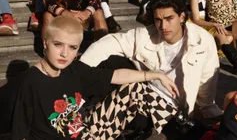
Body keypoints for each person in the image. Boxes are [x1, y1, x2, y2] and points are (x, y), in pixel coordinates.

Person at [80, 0, 223, 135]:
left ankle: (89, 132)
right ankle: (85, 120)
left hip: (172, 110)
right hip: (146, 95)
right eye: (158, 20)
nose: (163, 26)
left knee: (132, 91)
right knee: (111, 61)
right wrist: (78, 70)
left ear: (181, 17)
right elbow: (111, 41)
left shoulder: (202, 40)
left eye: (169, 19)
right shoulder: (146, 35)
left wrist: (207, 112)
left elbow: (207, 85)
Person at [12, 15, 180, 139]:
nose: (64, 53)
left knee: (136, 88)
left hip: (87, 132)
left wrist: (156, 75)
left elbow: (116, 75)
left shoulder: (74, 69)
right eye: (58, 45)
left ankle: (180, 130)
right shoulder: (30, 81)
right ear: (45, 43)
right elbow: (19, 131)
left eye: (72, 47)